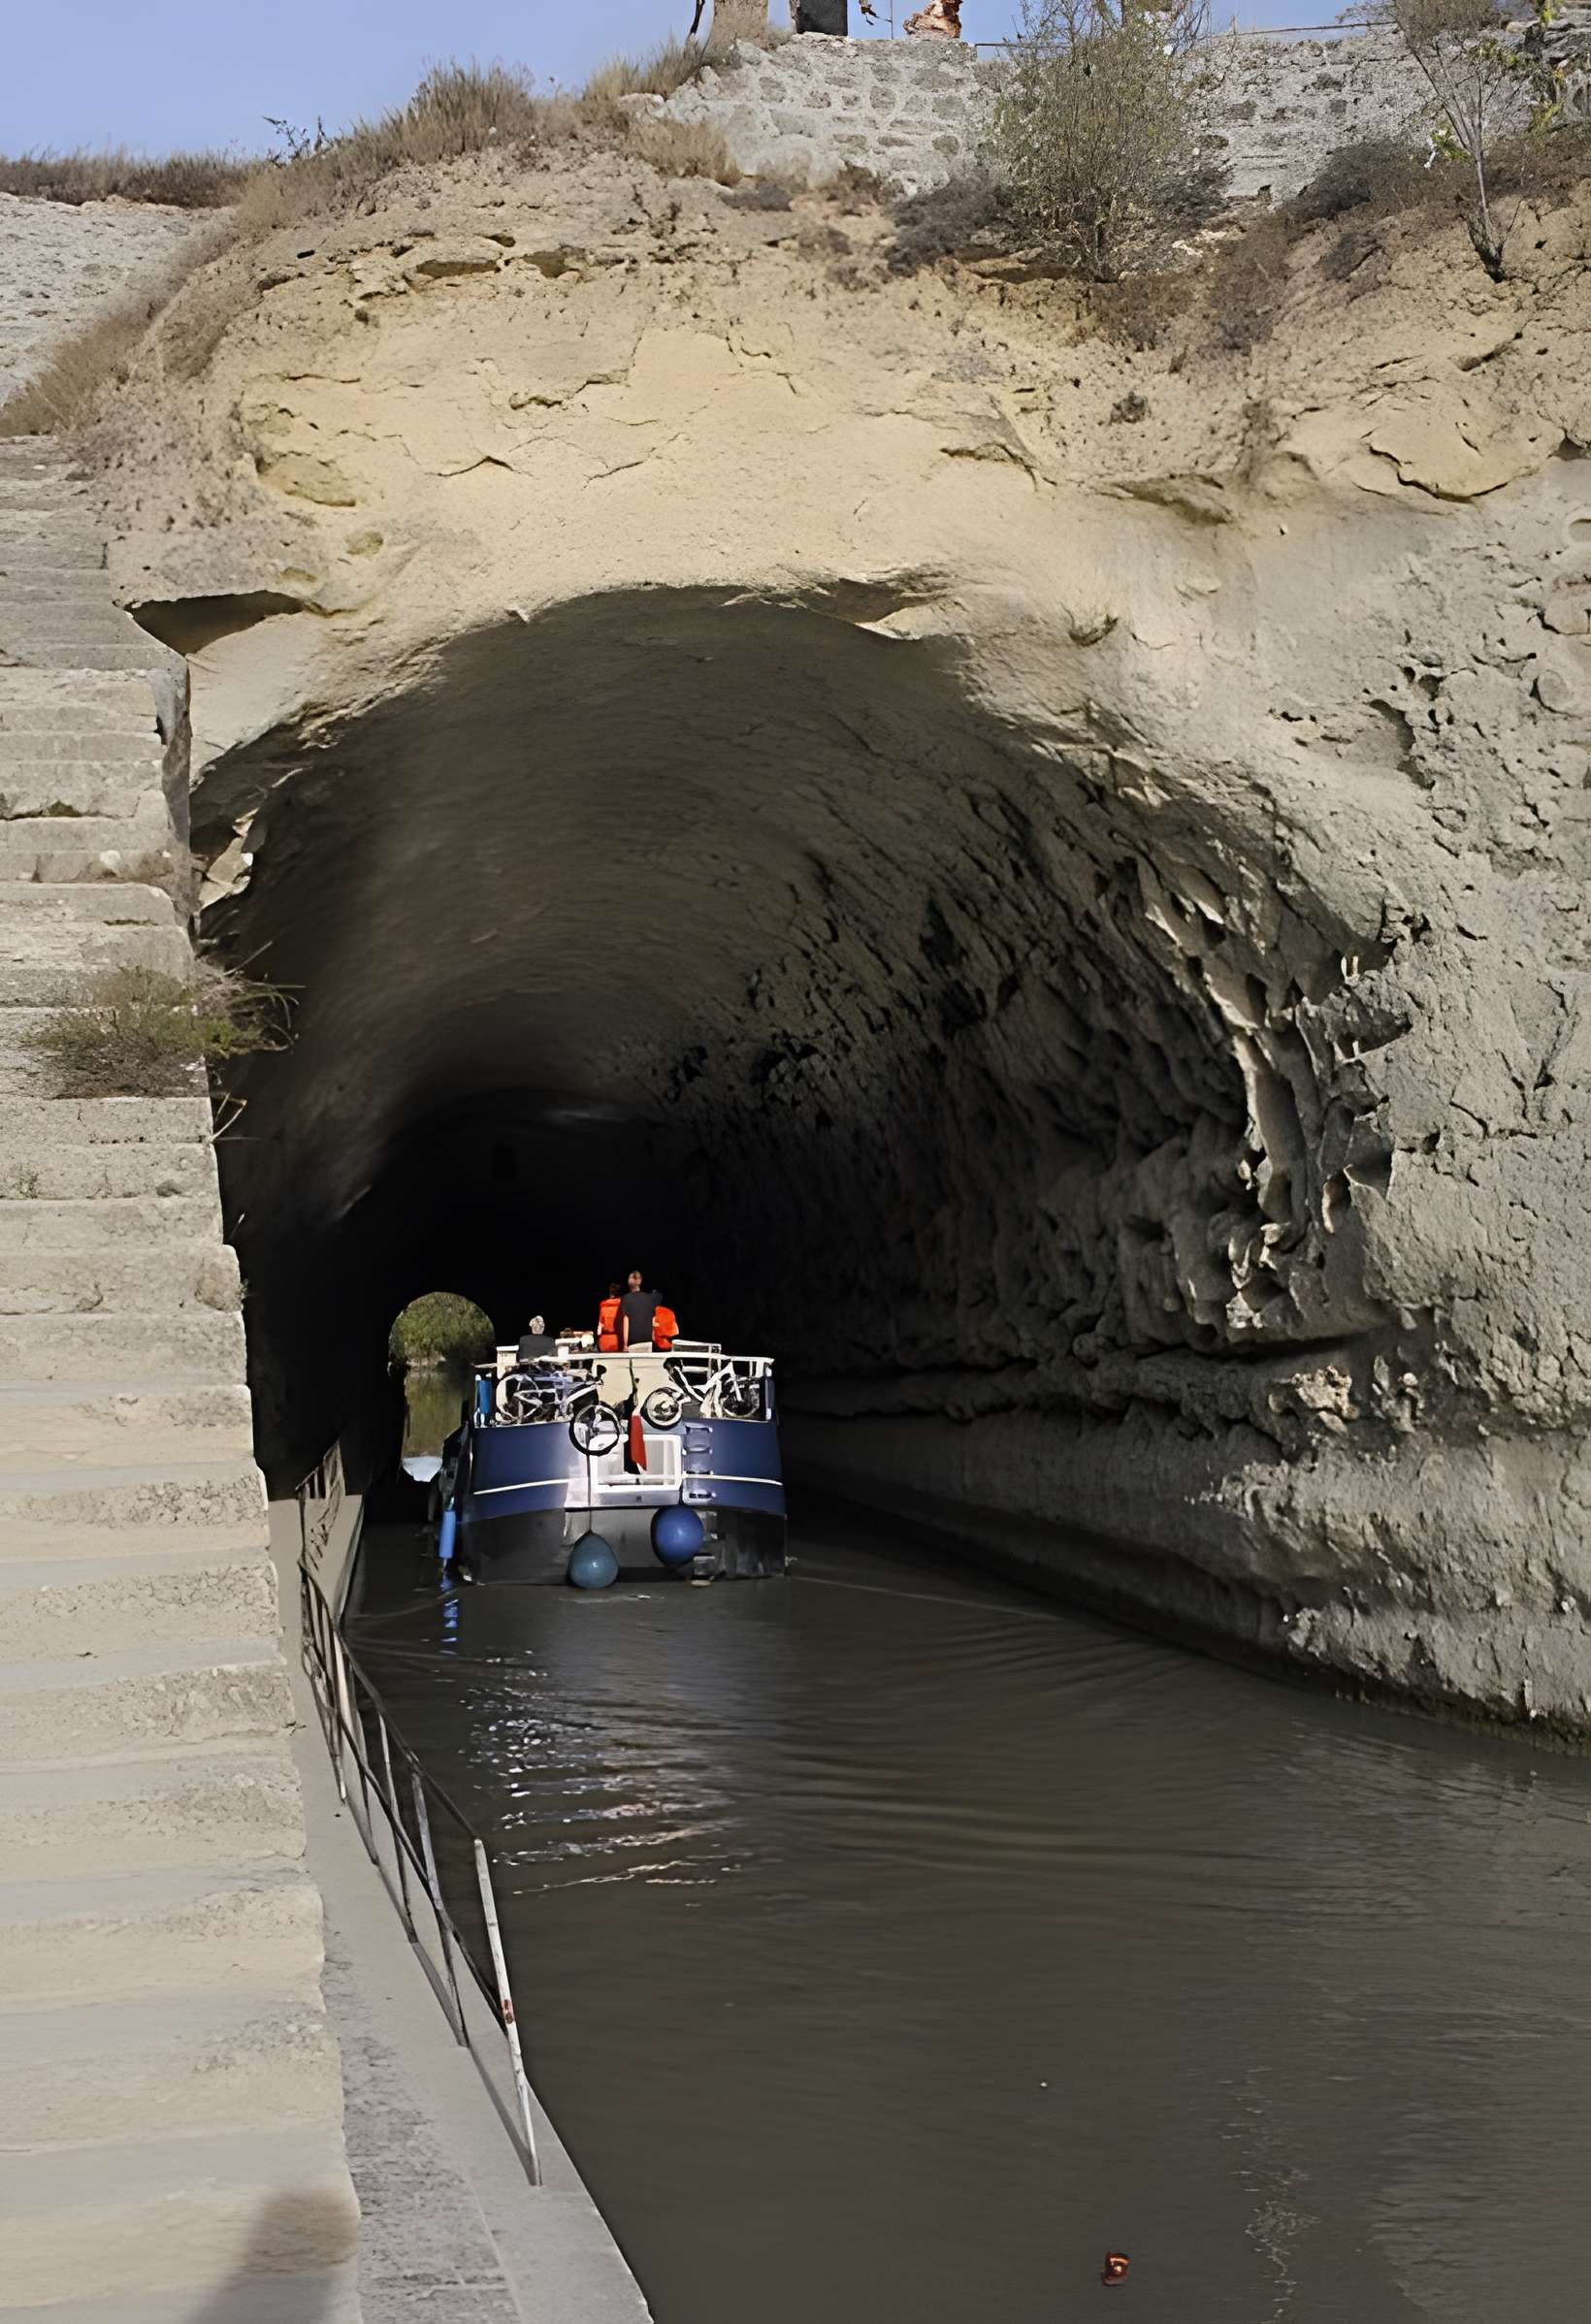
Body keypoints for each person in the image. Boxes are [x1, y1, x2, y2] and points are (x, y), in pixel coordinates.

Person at [618, 1270, 660, 1352]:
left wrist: (625, 1345)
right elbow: (653, 1321)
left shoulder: (626, 1298)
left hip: (633, 1343)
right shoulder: (649, 1298)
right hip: (648, 1342)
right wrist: (653, 1339)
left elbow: (626, 1322)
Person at [596, 1281, 622, 1353]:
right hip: (619, 1342)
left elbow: (600, 1327)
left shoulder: (603, 1305)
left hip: (604, 1343)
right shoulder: (622, 1305)